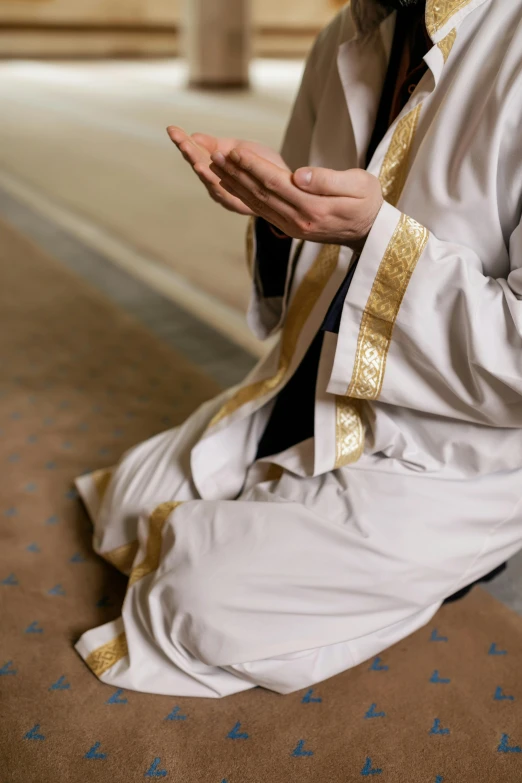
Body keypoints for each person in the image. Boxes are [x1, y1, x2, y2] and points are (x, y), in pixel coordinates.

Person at [75, 0, 522, 698]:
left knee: (195, 603)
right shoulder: (346, 34)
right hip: (313, 379)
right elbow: (303, 276)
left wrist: (379, 236)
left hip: (458, 447)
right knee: (132, 500)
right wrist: (279, 220)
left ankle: (461, 551)